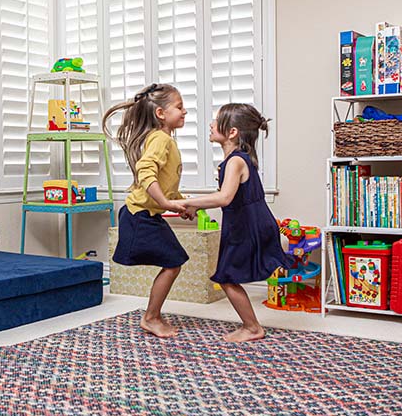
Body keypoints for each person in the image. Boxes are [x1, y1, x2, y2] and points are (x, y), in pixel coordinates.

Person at [184, 103, 285, 342]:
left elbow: (224, 197)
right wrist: (195, 205)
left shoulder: (236, 161)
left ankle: (252, 327)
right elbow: (228, 197)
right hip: (243, 224)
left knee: (227, 276)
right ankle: (250, 325)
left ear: (232, 132)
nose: (210, 124)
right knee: (228, 275)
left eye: (216, 120)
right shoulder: (235, 160)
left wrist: (186, 202)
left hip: (248, 226)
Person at [103, 83, 189, 338]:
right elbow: (146, 171)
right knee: (173, 263)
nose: (184, 112)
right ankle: (151, 317)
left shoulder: (165, 140)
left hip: (146, 214)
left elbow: (164, 182)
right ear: (161, 113)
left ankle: (152, 315)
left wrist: (180, 203)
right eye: (179, 107)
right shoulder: (161, 139)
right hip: (139, 215)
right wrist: (165, 203)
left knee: (174, 262)